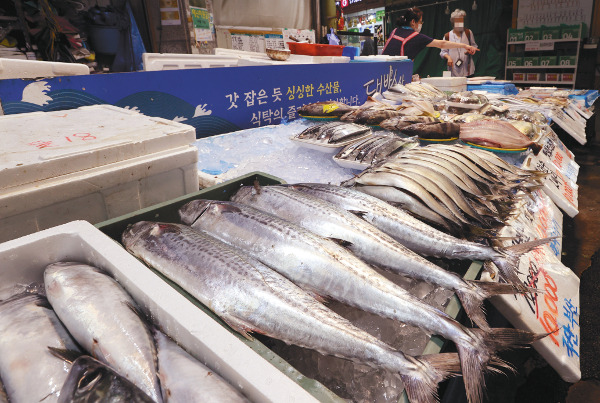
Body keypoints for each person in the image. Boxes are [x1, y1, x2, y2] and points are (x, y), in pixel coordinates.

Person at [382, 7, 478, 61]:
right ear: (413, 22)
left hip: (381, 71)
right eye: (420, 22)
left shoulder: (394, 31)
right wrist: (465, 46)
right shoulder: (416, 37)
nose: (421, 25)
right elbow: (442, 44)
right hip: (394, 73)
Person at [440, 9, 478, 77]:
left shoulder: (468, 33)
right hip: (453, 71)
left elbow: (474, 46)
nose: (460, 24)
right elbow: (443, 52)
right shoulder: (447, 36)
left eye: (462, 21)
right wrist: (448, 57)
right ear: (453, 22)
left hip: (468, 70)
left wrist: (472, 50)